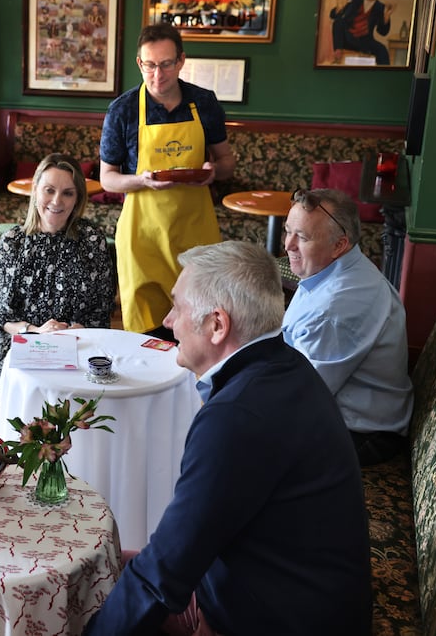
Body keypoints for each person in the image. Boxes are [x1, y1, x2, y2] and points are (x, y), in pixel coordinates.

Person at [84, 241, 372, 636]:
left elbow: (164, 572)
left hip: (278, 619)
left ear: (217, 325)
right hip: (291, 594)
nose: (168, 321)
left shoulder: (238, 417)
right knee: (100, 565)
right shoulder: (286, 365)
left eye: (178, 307)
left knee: (91, 592)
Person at [99, 23, 235, 340]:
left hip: (195, 234)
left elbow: (227, 162)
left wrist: (213, 171)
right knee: (146, 335)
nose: (157, 75)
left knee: (201, 328)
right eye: (149, 65)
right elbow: (108, 179)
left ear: (181, 61)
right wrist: (142, 181)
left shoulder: (204, 103)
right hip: (142, 239)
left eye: (165, 65)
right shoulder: (123, 110)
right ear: (139, 64)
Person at [0, 153, 115, 424]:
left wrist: (78, 328)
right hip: (20, 344)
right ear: (35, 190)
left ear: (78, 199)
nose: (56, 201)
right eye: (49, 190)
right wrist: (35, 332)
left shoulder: (92, 241)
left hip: (77, 344)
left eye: (67, 193)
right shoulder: (13, 242)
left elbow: (101, 311)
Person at [282, 187, 413, 465]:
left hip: (361, 433)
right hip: (341, 410)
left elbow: (300, 395)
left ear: (339, 244)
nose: (288, 245)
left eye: (302, 237)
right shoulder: (335, 269)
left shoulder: (334, 309)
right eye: (287, 231)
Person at [329, 0, 393, 65]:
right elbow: (333, 16)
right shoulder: (353, 1)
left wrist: (386, 17)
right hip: (348, 38)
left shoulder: (381, 8)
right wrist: (339, 9)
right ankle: (337, 54)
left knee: (382, 50)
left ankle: (383, 76)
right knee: (338, 22)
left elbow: (382, 32)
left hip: (365, 41)